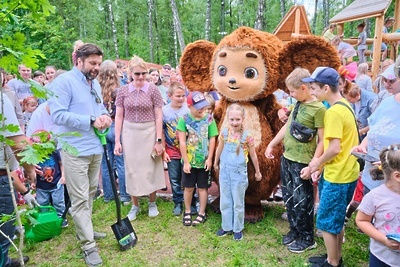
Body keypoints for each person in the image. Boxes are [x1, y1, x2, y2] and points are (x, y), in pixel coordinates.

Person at [47, 43, 111, 267]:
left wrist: (104, 117)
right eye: (93, 63)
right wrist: (89, 121)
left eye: (99, 64)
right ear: (78, 60)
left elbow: (99, 108)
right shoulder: (63, 83)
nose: (96, 68)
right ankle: (88, 246)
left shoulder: (93, 84)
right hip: (74, 150)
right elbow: (58, 115)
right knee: (80, 197)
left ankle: (87, 229)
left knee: (91, 192)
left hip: (94, 147)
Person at [265, 68, 325, 252]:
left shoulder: (319, 109)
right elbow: (288, 127)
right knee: (290, 198)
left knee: (303, 200)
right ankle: (295, 231)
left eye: (292, 91)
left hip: (303, 162)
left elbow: (323, 140)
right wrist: (271, 144)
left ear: (304, 88)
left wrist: (314, 164)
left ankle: (308, 237)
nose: (290, 94)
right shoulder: (298, 104)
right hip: (287, 158)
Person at [307, 67, 359, 267]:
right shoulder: (345, 105)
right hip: (348, 172)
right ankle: (334, 256)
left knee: (327, 221)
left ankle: (333, 263)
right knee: (336, 219)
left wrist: (316, 164)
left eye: (314, 88)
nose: (312, 93)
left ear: (326, 88)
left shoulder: (333, 112)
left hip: (338, 175)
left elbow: (334, 148)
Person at [114, 55, 166, 221]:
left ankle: (152, 202)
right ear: (130, 73)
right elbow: (119, 116)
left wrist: (159, 140)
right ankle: (135, 204)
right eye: (137, 74)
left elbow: (159, 116)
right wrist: (117, 140)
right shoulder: (122, 91)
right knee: (132, 169)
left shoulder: (153, 90)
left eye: (143, 73)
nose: (141, 77)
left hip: (149, 130)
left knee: (151, 166)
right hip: (130, 132)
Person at [0, 71, 38, 267]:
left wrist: (25, 192)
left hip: (4, 173)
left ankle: (5, 260)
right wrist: (29, 169)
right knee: (2, 231)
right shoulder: (1, 100)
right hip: (1, 177)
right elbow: (17, 142)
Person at [351, 59, 400, 195]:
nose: (387, 84)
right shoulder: (387, 103)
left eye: (391, 81)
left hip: (395, 189)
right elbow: (374, 128)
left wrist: (390, 161)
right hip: (372, 181)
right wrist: (363, 145)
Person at [214, 103, 261, 241]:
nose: (235, 122)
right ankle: (226, 226)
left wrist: (257, 171)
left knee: (238, 201)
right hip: (225, 172)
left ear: (243, 119)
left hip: (239, 174)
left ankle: (238, 228)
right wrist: (215, 162)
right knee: (225, 199)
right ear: (228, 119)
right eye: (232, 119)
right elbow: (219, 149)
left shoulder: (247, 136)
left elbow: (253, 155)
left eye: (238, 119)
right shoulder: (224, 134)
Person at [177, 91, 218, 226]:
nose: (202, 109)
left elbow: (212, 139)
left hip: (204, 161)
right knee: (188, 187)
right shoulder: (184, 120)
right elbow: (182, 141)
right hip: (190, 161)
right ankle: (187, 210)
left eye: (203, 106)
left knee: (203, 188)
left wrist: (210, 158)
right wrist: (186, 162)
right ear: (189, 106)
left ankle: (202, 212)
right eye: (198, 107)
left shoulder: (209, 120)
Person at [356, 144, 400, 267]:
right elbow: (362, 220)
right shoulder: (375, 197)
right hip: (383, 258)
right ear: (397, 176)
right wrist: (383, 239)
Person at [97, 60, 130, 204]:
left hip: (103, 128)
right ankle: (124, 195)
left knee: (106, 164)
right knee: (121, 163)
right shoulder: (121, 89)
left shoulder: (96, 89)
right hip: (117, 127)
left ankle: (108, 195)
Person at [162, 81, 189, 216]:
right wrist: (163, 150)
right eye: (178, 96)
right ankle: (178, 201)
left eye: (183, 96)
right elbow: (161, 131)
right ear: (170, 96)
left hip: (188, 151)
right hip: (172, 151)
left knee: (189, 177)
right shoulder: (164, 111)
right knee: (174, 178)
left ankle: (191, 200)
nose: (181, 99)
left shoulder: (188, 110)